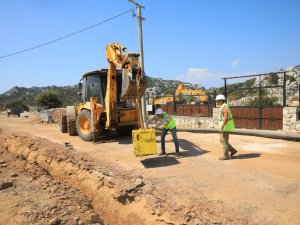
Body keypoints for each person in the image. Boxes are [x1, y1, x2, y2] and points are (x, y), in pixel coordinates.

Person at [215, 94, 238, 160]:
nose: (216, 102)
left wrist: (222, 126)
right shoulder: (223, 106)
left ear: (221, 100)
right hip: (225, 127)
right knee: (222, 140)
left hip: (225, 127)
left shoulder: (224, 107)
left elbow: (225, 118)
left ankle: (226, 156)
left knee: (224, 141)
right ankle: (233, 150)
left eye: (217, 100)